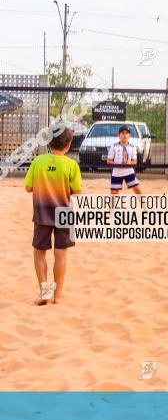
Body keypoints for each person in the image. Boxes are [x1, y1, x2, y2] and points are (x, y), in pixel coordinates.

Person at [24, 126, 82, 305]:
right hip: (64, 213)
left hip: (42, 212)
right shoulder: (72, 164)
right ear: (69, 145)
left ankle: (45, 292)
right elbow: (77, 192)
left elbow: (28, 188)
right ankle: (58, 295)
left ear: (48, 141)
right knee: (61, 254)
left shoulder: (38, 161)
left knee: (40, 252)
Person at [107, 126, 143, 195]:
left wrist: (129, 163)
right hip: (117, 171)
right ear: (118, 135)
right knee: (114, 193)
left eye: (127, 133)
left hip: (128, 171)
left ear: (129, 135)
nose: (125, 135)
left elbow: (134, 161)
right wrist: (118, 165)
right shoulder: (114, 146)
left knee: (137, 189)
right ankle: (112, 206)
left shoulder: (132, 147)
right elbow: (109, 161)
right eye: (123, 133)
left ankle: (144, 205)